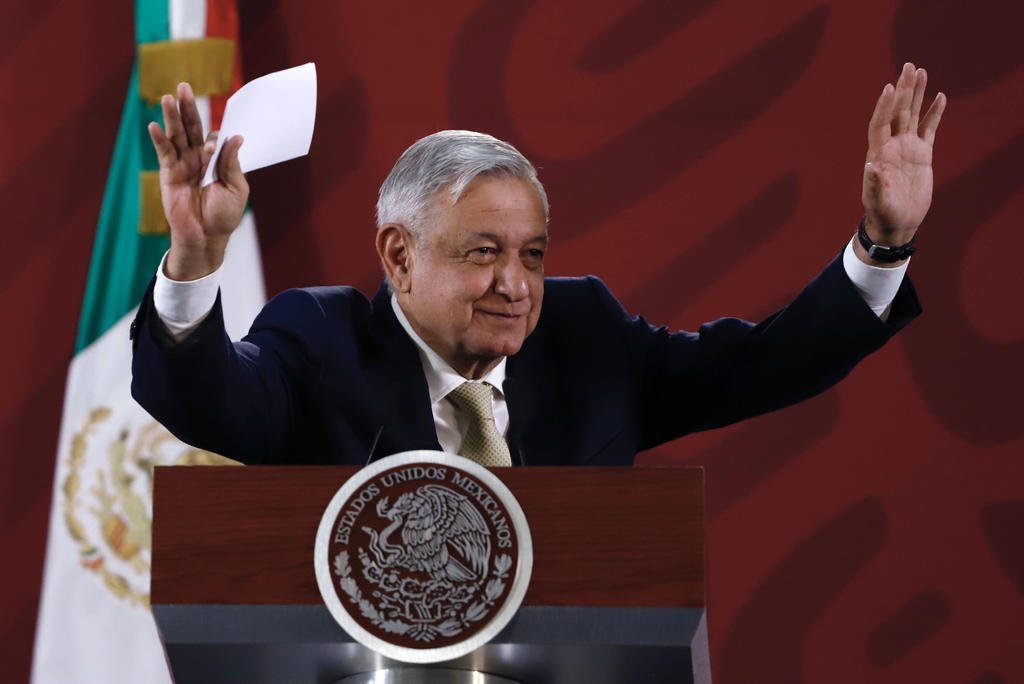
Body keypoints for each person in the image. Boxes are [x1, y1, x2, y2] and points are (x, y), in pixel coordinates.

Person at [131, 63, 946, 467]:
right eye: (483, 253)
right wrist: (196, 257)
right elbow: (209, 402)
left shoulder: (586, 336)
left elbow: (762, 364)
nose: (516, 286)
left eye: (532, 255)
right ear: (399, 255)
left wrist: (882, 245)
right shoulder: (321, 340)